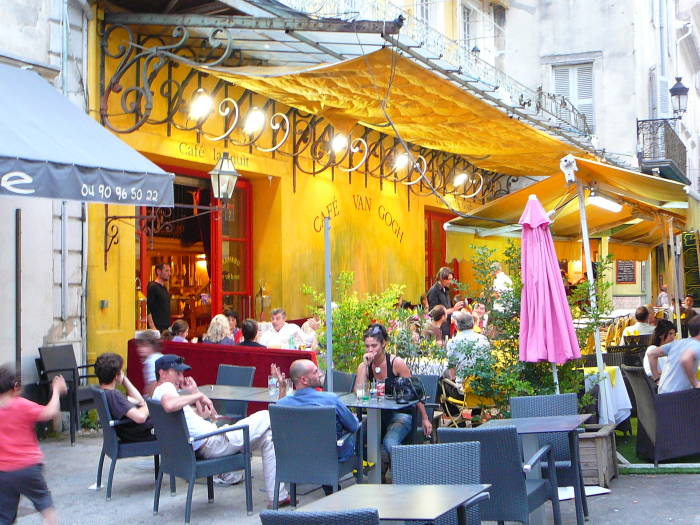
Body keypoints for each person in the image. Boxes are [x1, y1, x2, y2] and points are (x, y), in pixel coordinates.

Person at [151, 355, 290, 508]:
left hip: (208, 442)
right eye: (177, 373)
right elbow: (169, 405)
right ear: (162, 373)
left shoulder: (161, 394)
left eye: (181, 373)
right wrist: (198, 395)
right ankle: (293, 437)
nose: (181, 377)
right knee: (266, 415)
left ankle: (278, 497)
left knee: (268, 437)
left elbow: (202, 416)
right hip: (213, 443)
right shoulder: (165, 388)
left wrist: (194, 392)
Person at [0, 365, 67, 525]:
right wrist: (56, 391)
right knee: (45, 504)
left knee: (4, 516)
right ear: (15, 387)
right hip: (28, 468)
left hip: (3, 472)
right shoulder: (21, 404)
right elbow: (50, 413)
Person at [355, 324, 432, 460]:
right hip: (376, 415)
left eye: (374, 345)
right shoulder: (365, 366)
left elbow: (415, 392)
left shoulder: (396, 363)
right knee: (357, 438)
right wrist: (364, 368)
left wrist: (425, 418)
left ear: (383, 343)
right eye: (367, 346)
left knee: (390, 443)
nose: (370, 350)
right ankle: (376, 470)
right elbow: (359, 393)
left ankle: (404, 473)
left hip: (401, 414)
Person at [277, 359, 359, 462]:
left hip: (294, 460)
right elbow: (353, 426)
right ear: (304, 380)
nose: (319, 374)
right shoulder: (330, 399)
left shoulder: (281, 405)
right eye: (315, 372)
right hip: (329, 460)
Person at [94, 352, 155, 442]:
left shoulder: (105, 393)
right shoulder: (114, 395)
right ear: (116, 376)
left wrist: (123, 379)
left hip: (127, 433)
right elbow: (140, 417)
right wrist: (150, 402)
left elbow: (139, 401)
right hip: (140, 435)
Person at [647, 316, 700, 394]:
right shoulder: (697, 345)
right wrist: (695, 383)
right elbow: (686, 359)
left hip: (663, 393)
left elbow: (651, 354)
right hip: (676, 397)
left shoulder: (678, 343)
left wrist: (657, 379)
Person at [426, 267, 465, 339]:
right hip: (439, 328)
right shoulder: (433, 291)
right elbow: (433, 312)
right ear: (442, 279)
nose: (450, 281)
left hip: (447, 325)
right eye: (449, 279)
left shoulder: (445, 289)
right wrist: (453, 309)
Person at [136, 330, 163, 396]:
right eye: (139, 346)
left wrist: (145, 399)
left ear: (153, 346)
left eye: (145, 346)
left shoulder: (152, 362)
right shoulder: (156, 357)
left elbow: (153, 385)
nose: (140, 349)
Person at [147, 263, 171, 332]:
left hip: (165, 328)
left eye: (169, 271)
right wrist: (153, 327)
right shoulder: (152, 287)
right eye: (166, 271)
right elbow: (147, 307)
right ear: (158, 271)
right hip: (157, 327)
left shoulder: (164, 288)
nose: (169, 273)